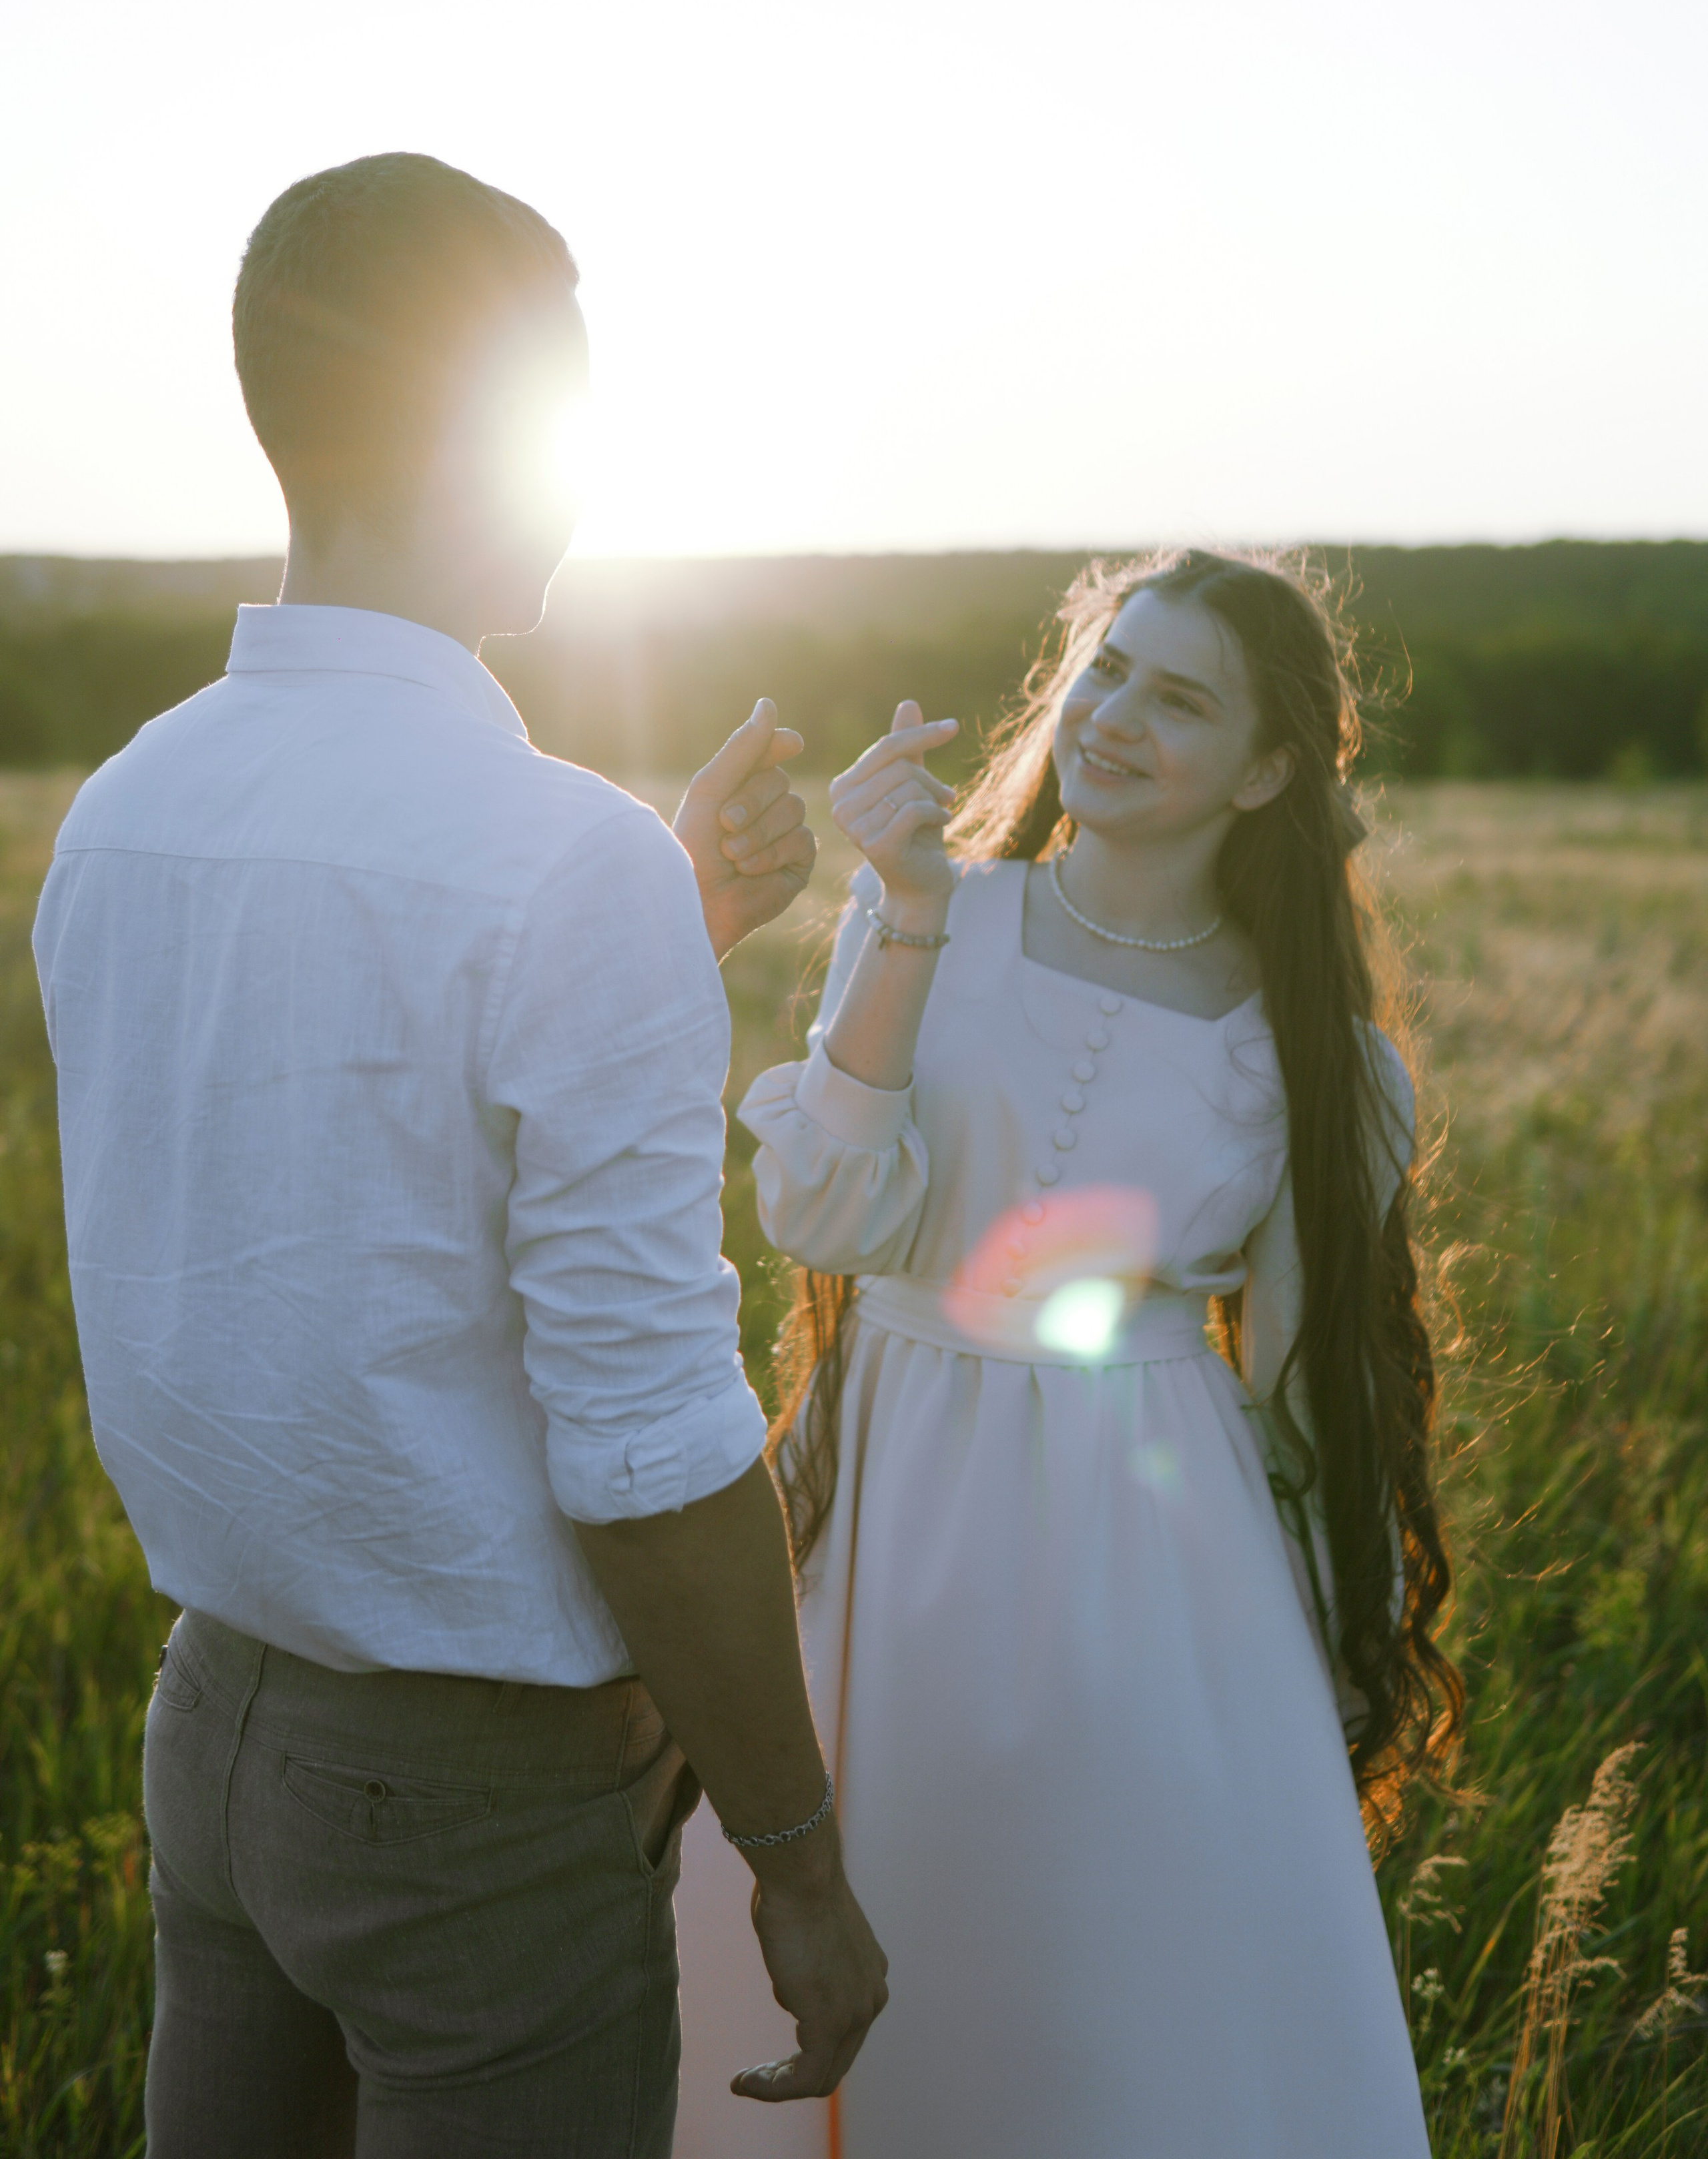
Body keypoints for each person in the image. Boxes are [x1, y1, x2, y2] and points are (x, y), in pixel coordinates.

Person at [32, 151, 886, 2158]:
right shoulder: (549, 860)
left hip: (214, 1728)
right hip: (477, 1811)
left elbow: (329, 1166)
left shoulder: (129, 809)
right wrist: (794, 1854)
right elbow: (655, 1444)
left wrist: (652, 920)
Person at [673, 548, 1463, 2158]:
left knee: (1114, 2003)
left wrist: (1314, 1673)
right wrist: (900, 921)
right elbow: (823, 1212)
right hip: (880, 1529)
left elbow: (1305, 1398)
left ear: (1267, 771)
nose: (1111, 716)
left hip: (1160, 1579)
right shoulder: (934, 912)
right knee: (862, 1920)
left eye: (1177, 699)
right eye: (1106, 669)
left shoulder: (1322, 1055)